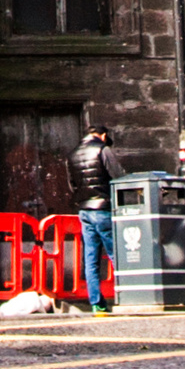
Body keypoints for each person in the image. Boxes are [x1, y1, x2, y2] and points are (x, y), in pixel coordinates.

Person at [72, 124, 119, 314]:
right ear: (104, 135)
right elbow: (118, 176)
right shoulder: (103, 150)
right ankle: (126, 296)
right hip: (104, 209)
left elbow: (72, 184)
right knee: (118, 256)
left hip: (84, 210)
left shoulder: (73, 154)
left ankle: (97, 304)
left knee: (91, 260)